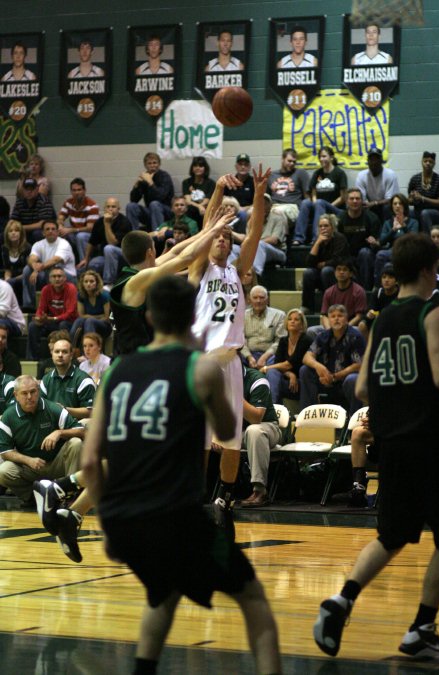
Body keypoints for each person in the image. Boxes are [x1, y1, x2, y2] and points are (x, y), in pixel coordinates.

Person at [79, 275, 281, 674]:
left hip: (122, 521)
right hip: (176, 521)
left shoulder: (116, 372)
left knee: (164, 591)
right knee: (253, 597)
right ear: (193, 316)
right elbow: (227, 431)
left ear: (150, 316)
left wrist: (108, 526)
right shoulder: (198, 367)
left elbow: (88, 464)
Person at [314, 232, 439, 661]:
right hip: (433, 440)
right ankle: (422, 628)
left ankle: (342, 600)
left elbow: (365, 387)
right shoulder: (435, 309)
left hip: (394, 444)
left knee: (392, 535)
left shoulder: (384, 317)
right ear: (429, 270)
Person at [189, 165, 270, 533]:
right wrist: (218, 191)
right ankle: (195, 499)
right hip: (202, 362)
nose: (222, 240)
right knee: (200, 439)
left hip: (232, 362)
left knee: (231, 439)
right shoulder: (198, 269)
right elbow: (208, 226)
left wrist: (257, 195)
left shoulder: (238, 272)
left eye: (226, 237)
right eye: (217, 237)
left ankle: (225, 499)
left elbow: (253, 233)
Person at [111, 212, 236, 355]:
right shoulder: (137, 280)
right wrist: (214, 230)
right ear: (150, 252)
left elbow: (175, 253)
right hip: (129, 361)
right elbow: (186, 258)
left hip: (139, 358)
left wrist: (205, 232)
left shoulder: (139, 273)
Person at [0, 375, 84, 505]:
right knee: (3, 471)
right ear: (16, 395)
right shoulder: (8, 416)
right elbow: (5, 451)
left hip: (57, 464)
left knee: (76, 443)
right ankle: (33, 497)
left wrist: (59, 432)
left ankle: (69, 494)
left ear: (38, 391)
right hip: (31, 467)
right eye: (24, 393)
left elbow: (83, 431)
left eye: (33, 392)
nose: (29, 397)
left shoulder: (53, 408)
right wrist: (28, 460)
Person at [299, 304, 365, 416]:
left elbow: (359, 365)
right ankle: (308, 416)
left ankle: (354, 421)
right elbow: (306, 357)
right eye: (333, 316)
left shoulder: (355, 336)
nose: (336, 319)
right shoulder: (323, 336)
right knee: (305, 370)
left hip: (345, 381)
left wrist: (334, 377)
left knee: (352, 379)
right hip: (325, 379)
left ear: (347, 318)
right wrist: (319, 367)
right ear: (328, 319)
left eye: (340, 315)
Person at [240, 365, 282, 507]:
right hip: (237, 431)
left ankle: (260, 491)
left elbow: (256, 419)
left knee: (254, 431)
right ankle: (199, 490)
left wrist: (234, 394)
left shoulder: (257, 379)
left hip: (267, 427)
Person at [292, 147, 347, 245]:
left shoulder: (339, 173)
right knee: (305, 202)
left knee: (320, 203)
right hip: (319, 207)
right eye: (320, 157)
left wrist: (326, 205)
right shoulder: (317, 173)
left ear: (331, 158)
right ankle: (298, 237)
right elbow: (313, 193)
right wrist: (315, 203)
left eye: (324, 156)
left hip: (336, 209)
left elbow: (343, 198)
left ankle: (316, 238)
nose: (321, 159)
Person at [22, 220, 77, 311]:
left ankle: (51, 307)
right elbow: (32, 259)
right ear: (43, 233)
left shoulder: (64, 243)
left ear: (57, 232)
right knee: (27, 270)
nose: (50, 231)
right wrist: (34, 267)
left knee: (52, 270)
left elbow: (55, 260)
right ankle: (29, 306)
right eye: (47, 229)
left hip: (67, 276)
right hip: (47, 274)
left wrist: (37, 269)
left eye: (53, 229)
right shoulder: (38, 244)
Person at [301, 215, 350, 314]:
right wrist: (317, 243)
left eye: (326, 226)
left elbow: (339, 260)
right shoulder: (319, 240)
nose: (323, 228)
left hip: (336, 274)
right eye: (320, 226)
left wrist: (324, 264)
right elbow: (310, 263)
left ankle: (331, 306)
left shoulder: (340, 238)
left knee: (326, 270)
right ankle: (307, 307)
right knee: (308, 273)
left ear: (332, 227)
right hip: (321, 274)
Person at [77, 197, 132, 286]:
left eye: (113, 207)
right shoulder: (99, 221)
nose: (110, 209)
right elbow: (92, 241)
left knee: (109, 248)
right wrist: (86, 258)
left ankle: (108, 283)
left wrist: (107, 223)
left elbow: (113, 243)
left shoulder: (124, 222)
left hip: (123, 256)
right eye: (108, 207)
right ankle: (87, 278)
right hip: (105, 256)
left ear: (118, 208)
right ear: (104, 208)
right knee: (93, 264)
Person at [27, 266, 78, 360]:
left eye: (59, 276)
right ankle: (33, 359)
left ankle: (62, 356)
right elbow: (41, 309)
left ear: (65, 278)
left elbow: (70, 313)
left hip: (68, 322)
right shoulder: (46, 289)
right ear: (49, 279)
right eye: (54, 276)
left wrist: (53, 319)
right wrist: (39, 317)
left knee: (63, 324)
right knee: (33, 326)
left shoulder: (71, 288)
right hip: (50, 322)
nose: (57, 278)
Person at [263, 308, 312, 404]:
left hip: (303, 384)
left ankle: (272, 408)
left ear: (302, 325)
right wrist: (290, 375)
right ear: (286, 323)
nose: (292, 321)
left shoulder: (306, 340)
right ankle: (274, 409)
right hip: (289, 381)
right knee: (273, 372)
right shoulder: (283, 341)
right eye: (290, 319)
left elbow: (288, 365)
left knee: (271, 370)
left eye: (296, 319)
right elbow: (278, 364)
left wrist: (265, 368)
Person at [40, 338, 95, 421]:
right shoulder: (46, 380)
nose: (60, 355)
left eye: (64, 352)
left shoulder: (84, 380)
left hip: (77, 426)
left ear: (71, 355)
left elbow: (91, 412)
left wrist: (64, 410)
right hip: (52, 425)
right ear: (52, 354)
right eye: (57, 351)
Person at [337, 188, 381, 290]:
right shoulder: (340, 219)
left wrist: (375, 242)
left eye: (357, 198)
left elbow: (379, 243)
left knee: (364, 253)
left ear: (362, 201)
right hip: (347, 255)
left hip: (366, 256)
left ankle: (365, 291)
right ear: (347, 201)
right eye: (352, 199)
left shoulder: (372, 218)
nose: (355, 201)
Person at [374, 193, 419, 287]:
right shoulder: (388, 223)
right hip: (392, 250)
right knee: (380, 255)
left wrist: (404, 227)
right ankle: (377, 287)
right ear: (391, 206)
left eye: (400, 203)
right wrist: (393, 230)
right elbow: (382, 241)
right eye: (395, 204)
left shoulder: (413, 222)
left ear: (405, 206)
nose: (397, 206)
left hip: (407, 251)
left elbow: (414, 240)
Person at [126, 152, 174, 232]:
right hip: (150, 211)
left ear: (159, 164)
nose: (152, 165)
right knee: (130, 206)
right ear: (145, 165)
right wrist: (136, 185)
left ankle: (157, 236)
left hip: (166, 211)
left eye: (154, 163)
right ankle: (134, 235)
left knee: (154, 204)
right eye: (149, 163)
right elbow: (133, 200)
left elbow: (161, 196)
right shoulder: (145, 177)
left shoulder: (164, 176)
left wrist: (150, 182)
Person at [241, 285, 286, 368]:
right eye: (255, 298)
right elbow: (240, 340)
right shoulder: (242, 316)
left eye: (262, 297)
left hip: (270, 355)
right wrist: (249, 357)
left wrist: (265, 356)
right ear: (250, 300)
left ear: (267, 300)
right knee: (236, 361)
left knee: (275, 364)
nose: (258, 301)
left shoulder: (279, 315)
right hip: (248, 354)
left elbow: (280, 341)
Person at [57, 178, 100, 261]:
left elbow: (90, 228)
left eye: (79, 190)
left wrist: (70, 230)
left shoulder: (92, 206)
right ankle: (64, 263)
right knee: (61, 233)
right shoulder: (68, 202)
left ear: (84, 191)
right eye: (74, 190)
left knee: (80, 236)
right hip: (75, 233)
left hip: (89, 237)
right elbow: (60, 217)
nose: (76, 193)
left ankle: (83, 264)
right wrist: (60, 225)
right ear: (71, 192)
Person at [267, 148, 310, 227]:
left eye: (294, 162)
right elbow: (266, 196)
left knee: (278, 213)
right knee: (252, 212)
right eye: (289, 161)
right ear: (282, 159)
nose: (292, 163)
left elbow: (307, 196)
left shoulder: (301, 173)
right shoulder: (272, 175)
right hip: (274, 206)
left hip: (292, 207)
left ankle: (273, 238)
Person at [355, 148, 400, 224]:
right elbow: (361, 198)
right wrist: (367, 204)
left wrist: (375, 203)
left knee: (387, 207)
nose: (374, 162)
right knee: (360, 207)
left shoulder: (390, 174)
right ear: (368, 162)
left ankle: (386, 231)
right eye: (371, 159)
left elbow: (391, 199)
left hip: (385, 206)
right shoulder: (361, 175)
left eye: (376, 159)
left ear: (381, 161)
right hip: (369, 206)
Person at [320, 260, 367, 329]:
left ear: (350, 273)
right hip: (332, 326)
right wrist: (329, 330)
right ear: (335, 273)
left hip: (351, 327)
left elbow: (359, 316)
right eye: (339, 269)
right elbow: (324, 316)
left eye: (345, 270)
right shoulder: (328, 292)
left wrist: (344, 329)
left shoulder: (359, 291)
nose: (341, 272)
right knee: (311, 331)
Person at [408, 152, 439, 233]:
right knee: (405, 212)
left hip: (436, 212)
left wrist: (422, 198)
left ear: (434, 164)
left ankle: (428, 240)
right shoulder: (415, 179)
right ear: (422, 162)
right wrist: (412, 198)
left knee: (425, 213)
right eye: (425, 161)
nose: (428, 163)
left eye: (430, 162)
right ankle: (411, 240)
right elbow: (410, 202)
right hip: (418, 210)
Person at [70, 270, 111, 346]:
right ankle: (72, 348)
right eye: (86, 281)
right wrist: (97, 316)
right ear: (82, 283)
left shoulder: (104, 295)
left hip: (105, 326)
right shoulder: (81, 295)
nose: (88, 284)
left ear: (97, 283)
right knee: (79, 321)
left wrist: (90, 317)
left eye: (91, 281)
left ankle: (90, 350)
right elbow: (81, 315)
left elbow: (107, 318)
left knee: (90, 321)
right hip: (87, 323)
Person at [358, 263, 398, 340]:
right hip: (379, 320)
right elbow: (370, 309)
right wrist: (369, 315)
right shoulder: (378, 293)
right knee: (362, 325)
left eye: (390, 277)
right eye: (384, 277)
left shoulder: (400, 293)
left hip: (394, 322)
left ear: (396, 281)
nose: (386, 280)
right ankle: (370, 350)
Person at [10, 177, 56, 244]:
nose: (29, 191)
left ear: (37, 189)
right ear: (23, 190)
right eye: (26, 189)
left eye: (32, 189)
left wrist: (21, 227)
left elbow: (43, 224)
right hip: (24, 231)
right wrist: (12, 228)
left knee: (37, 234)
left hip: (41, 231)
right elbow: (13, 219)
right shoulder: (19, 202)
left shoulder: (44, 201)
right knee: (7, 233)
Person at [1, 220, 31, 305]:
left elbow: (28, 270)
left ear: (21, 233)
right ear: (7, 234)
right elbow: (7, 269)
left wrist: (12, 280)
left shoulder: (27, 247)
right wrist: (7, 279)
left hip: (24, 277)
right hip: (12, 277)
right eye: (10, 231)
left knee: (13, 283)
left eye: (16, 230)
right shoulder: (4, 248)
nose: (13, 233)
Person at [182, 156, 216, 226]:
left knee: (205, 210)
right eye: (195, 166)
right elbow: (188, 201)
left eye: (200, 166)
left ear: (205, 168)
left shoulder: (211, 183)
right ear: (192, 168)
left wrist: (200, 207)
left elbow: (207, 201)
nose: (198, 168)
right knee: (188, 209)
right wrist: (199, 206)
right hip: (192, 208)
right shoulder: (186, 182)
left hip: (205, 208)